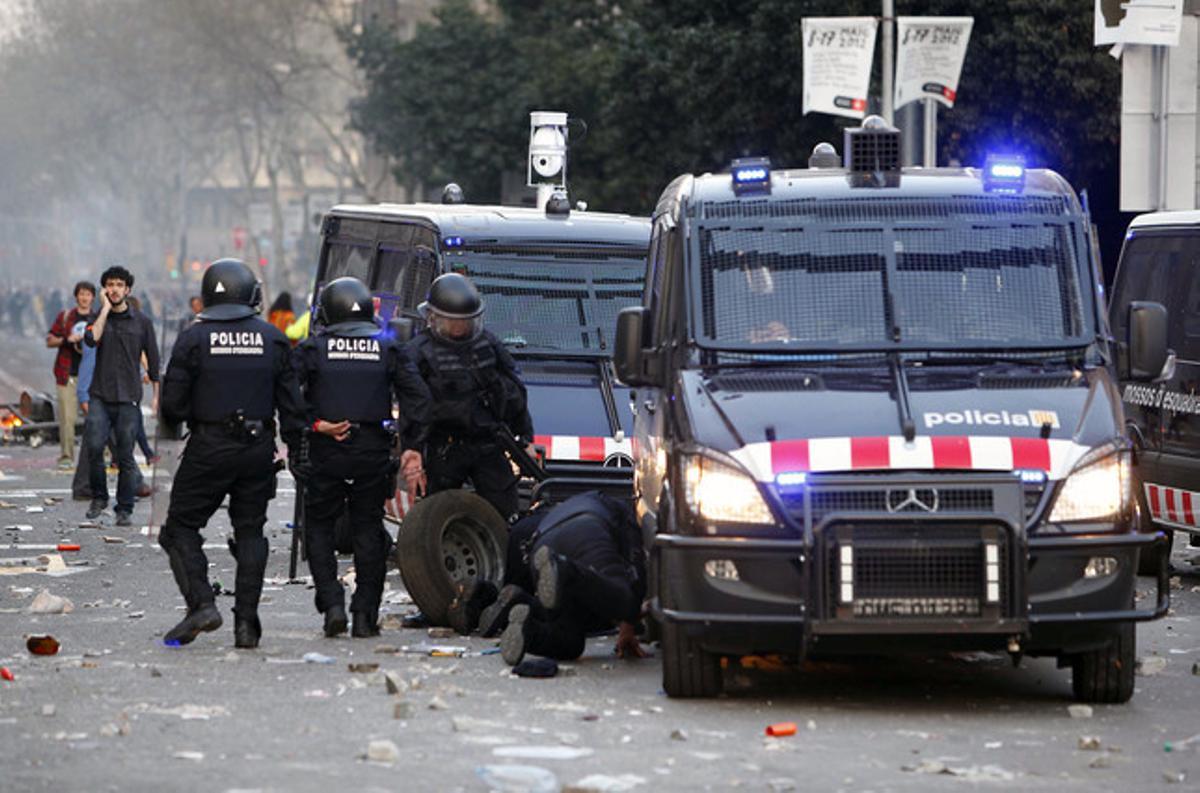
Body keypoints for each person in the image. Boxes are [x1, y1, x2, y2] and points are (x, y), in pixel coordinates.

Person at [157, 258, 305, 649]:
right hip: (257, 448)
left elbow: (172, 406)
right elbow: (293, 406)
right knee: (251, 531)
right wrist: (299, 452)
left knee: (179, 528)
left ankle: (203, 605)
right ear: (251, 294)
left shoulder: (192, 338)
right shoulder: (273, 338)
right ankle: (247, 625)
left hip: (208, 447)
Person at [294, 277, 431, 638]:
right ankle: (365, 615)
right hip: (372, 449)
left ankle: (332, 603)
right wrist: (412, 445)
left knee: (320, 527)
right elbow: (418, 398)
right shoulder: (388, 347)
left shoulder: (313, 348)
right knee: (368, 530)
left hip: (326, 451)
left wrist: (315, 424)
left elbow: (286, 394)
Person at [446, 491, 646, 664]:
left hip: (541, 543)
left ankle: (527, 630)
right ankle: (564, 569)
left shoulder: (567, 505)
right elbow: (637, 573)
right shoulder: (624, 514)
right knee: (627, 603)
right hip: (586, 532)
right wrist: (630, 624)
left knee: (570, 642)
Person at [404, 273, 533, 522]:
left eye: (466, 321)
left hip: (488, 442)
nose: (460, 328)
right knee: (437, 515)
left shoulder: (488, 344)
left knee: (505, 512)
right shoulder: (418, 351)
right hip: (444, 446)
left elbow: (515, 391)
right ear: (434, 317)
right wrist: (413, 450)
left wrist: (525, 437)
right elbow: (412, 405)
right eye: (453, 322)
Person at [83, 266, 160, 527]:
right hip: (100, 395)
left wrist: (156, 397)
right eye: (109, 285)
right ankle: (99, 497)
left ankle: (124, 508)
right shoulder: (98, 317)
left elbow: (154, 362)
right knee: (94, 447)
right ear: (105, 290)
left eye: (119, 285)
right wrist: (104, 309)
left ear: (127, 289)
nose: (114, 289)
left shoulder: (142, 322)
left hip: (129, 398)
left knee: (125, 456)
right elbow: (91, 340)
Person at [45, 281, 95, 468]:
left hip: (92, 376)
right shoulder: (65, 317)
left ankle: (103, 453)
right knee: (67, 419)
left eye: (88, 294)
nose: (84, 298)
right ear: (76, 297)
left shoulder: (98, 318)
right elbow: (49, 340)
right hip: (67, 374)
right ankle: (66, 456)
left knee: (98, 417)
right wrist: (67, 340)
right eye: (81, 294)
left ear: (92, 297)